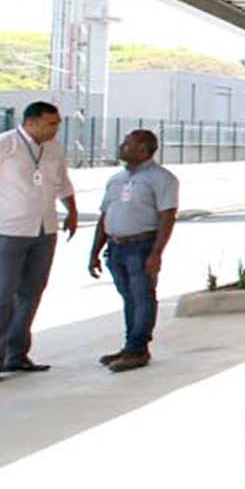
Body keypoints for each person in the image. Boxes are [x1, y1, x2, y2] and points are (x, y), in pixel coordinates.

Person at [0, 99, 78, 385]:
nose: (56, 128)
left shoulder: (54, 149)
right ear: (31, 122)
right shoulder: (2, 145)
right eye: (51, 123)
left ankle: (17, 354)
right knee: (1, 296)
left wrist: (71, 211)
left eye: (58, 123)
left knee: (31, 294)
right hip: (6, 231)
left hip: (44, 230)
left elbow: (62, 183)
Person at [87, 128, 179, 371]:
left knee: (143, 297)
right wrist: (95, 251)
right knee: (129, 297)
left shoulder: (161, 179)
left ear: (143, 149)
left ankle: (138, 348)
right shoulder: (116, 179)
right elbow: (105, 215)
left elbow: (167, 216)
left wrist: (156, 253)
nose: (121, 147)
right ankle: (130, 345)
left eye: (127, 144)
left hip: (141, 246)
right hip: (116, 246)